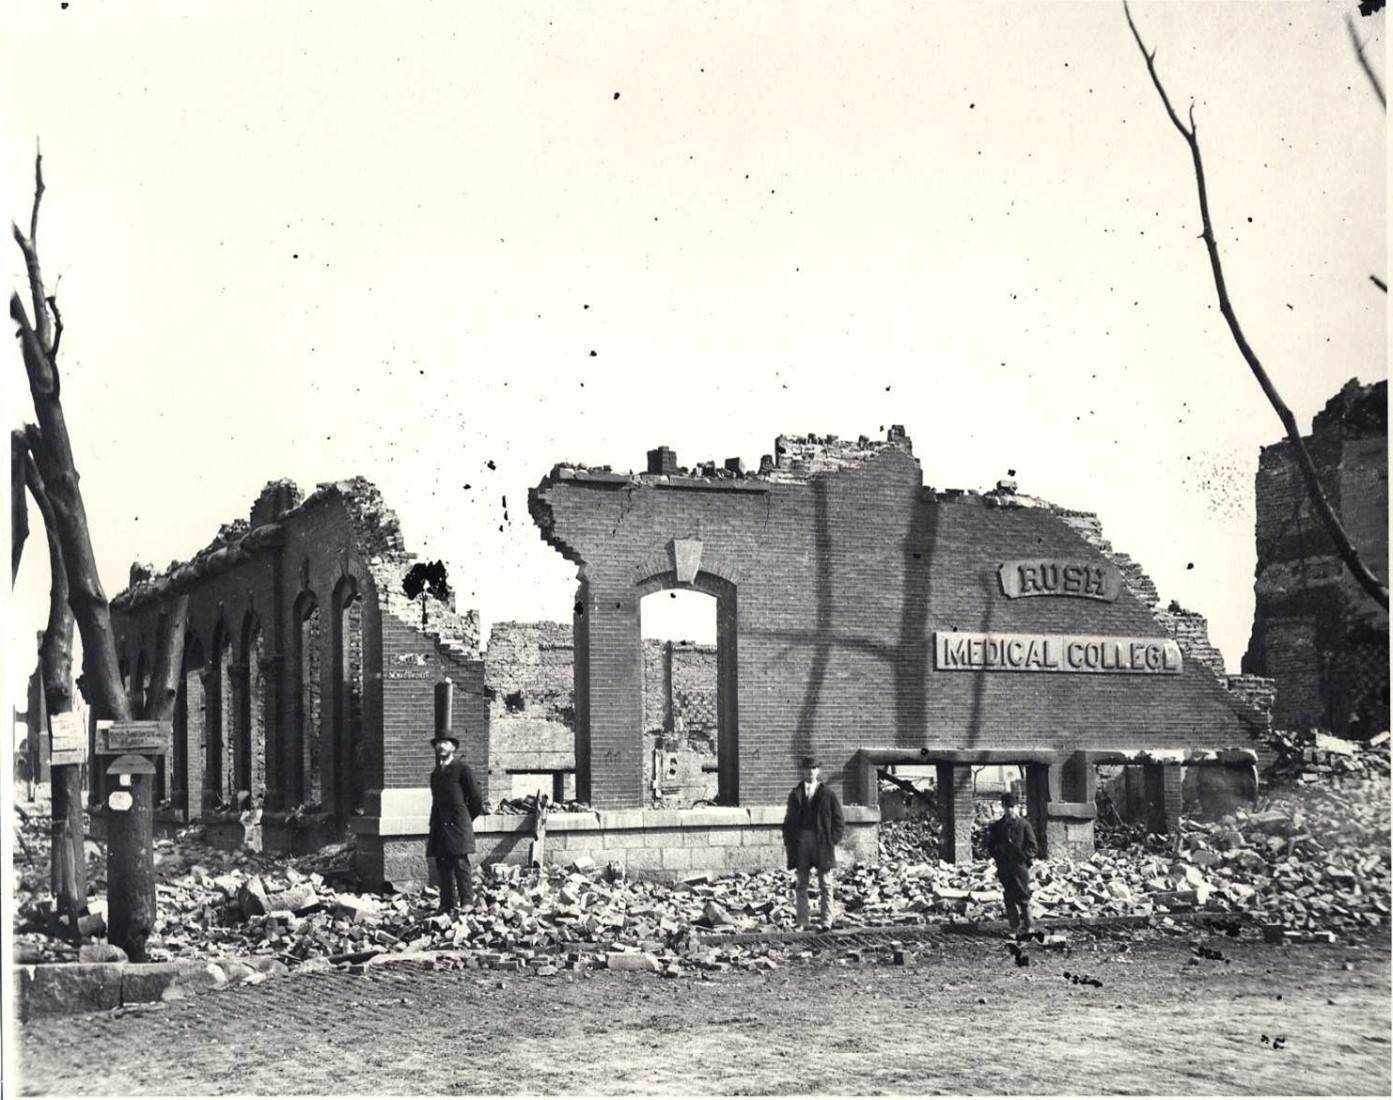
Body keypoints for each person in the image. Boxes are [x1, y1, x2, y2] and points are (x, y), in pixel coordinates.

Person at [782, 756, 845, 930]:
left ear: (818, 771)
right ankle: (802, 921)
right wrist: (790, 841)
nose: (810, 772)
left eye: (813, 768)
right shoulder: (795, 794)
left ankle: (826, 921)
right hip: (802, 842)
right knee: (801, 884)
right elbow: (788, 822)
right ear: (802, 771)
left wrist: (831, 840)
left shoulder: (828, 794)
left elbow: (839, 821)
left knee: (826, 883)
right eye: (807, 769)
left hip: (822, 843)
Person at [426, 728, 484, 913]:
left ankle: (467, 902)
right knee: (442, 864)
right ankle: (446, 904)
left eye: (445, 742)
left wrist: (464, 818)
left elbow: (476, 799)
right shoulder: (435, 774)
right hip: (440, 825)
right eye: (438, 743)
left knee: (460, 863)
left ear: (453, 747)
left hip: (458, 826)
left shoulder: (462, 769)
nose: (441, 746)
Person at [985, 791, 1038, 938]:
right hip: (1004, 866)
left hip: (1019, 867)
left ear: (1017, 807)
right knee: (1008, 897)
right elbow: (991, 846)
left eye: (1012, 807)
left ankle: (1029, 927)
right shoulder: (997, 826)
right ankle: (1014, 927)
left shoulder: (1024, 825)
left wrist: (1023, 858)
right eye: (1007, 806)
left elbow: (1033, 847)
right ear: (1003, 807)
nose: (1010, 810)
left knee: (1023, 896)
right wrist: (999, 854)